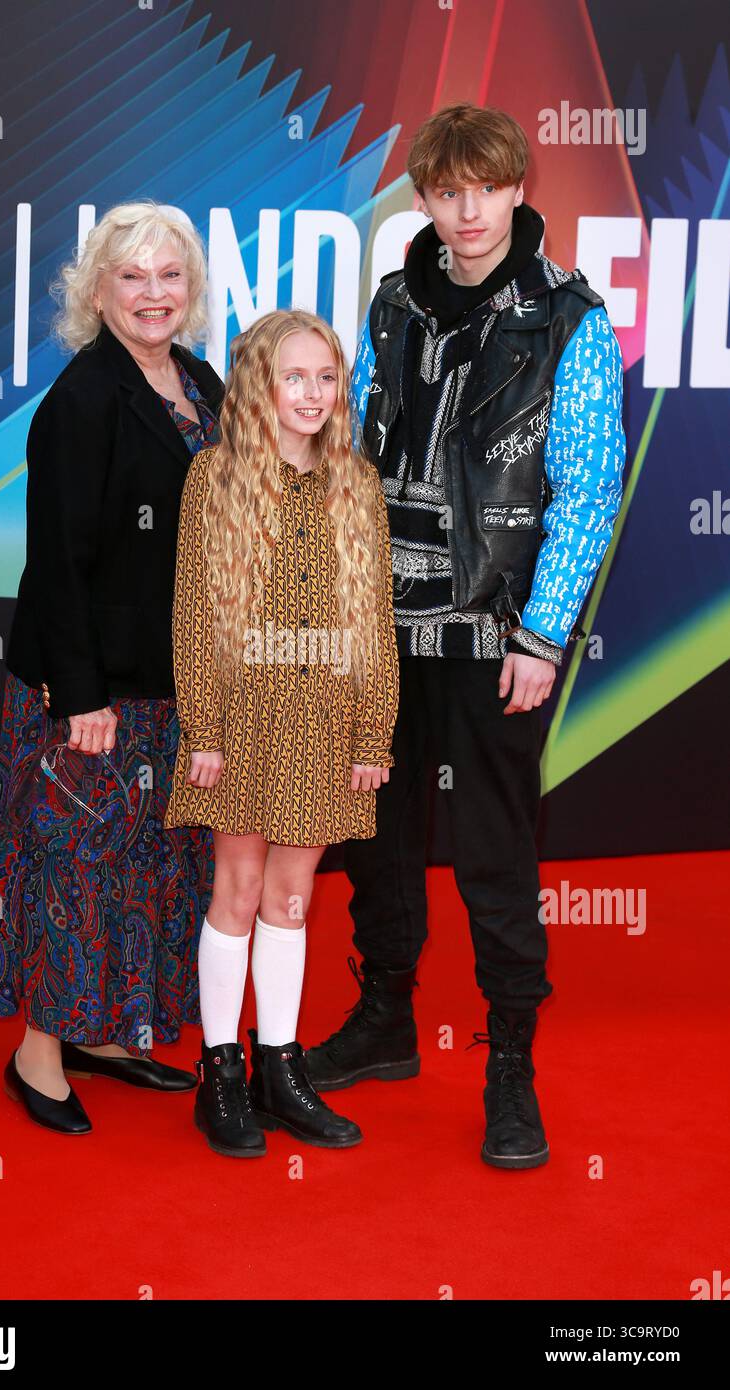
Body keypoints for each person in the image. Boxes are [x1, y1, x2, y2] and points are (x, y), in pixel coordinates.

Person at [304, 103, 627, 1170]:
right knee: (376, 836)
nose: (466, 209)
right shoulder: (394, 301)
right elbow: (349, 445)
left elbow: (585, 490)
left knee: (493, 853)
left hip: (494, 632)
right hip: (382, 629)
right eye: (445, 191)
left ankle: (509, 1068)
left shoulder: (568, 320)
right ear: (426, 198)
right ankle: (385, 1015)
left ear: (516, 188)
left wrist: (540, 638)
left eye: (484, 188)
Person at [0, 200, 224, 1134]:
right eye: (133, 277)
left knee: (145, 864)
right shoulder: (82, 400)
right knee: (71, 863)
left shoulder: (199, 381)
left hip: (171, 686)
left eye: (170, 276)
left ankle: (105, 1032)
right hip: (93, 692)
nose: (153, 294)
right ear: (97, 291)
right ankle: (38, 1052)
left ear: (192, 288)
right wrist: (81, 697)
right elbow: (56, 562)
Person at [163, 309, 400, 1158]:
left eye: (326, 377)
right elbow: (194, 617)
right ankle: (220, 1071)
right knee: (237, 888)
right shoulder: (213, 480)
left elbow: (373, 619)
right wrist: (206, 729)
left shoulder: (357, 485)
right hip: (239, 717)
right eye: (292, 377)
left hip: (323, 721)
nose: (311, 394)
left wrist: (373, 733)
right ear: (259, 385)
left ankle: (279, 1065)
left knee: (292, 899)